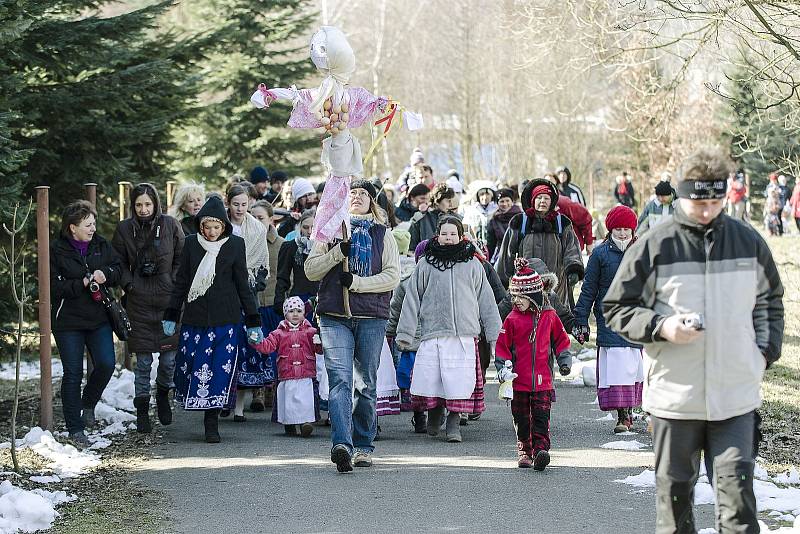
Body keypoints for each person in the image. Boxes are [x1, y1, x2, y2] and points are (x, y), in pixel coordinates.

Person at [603, 148, 784, 534]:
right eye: (698, 201)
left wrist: (762, 355)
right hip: (674, 401)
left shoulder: (747, 242)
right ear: (681, 196)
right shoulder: (654, 244)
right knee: (675, 509)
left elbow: (770, 300)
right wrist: (662, 327)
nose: (707, 210)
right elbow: (617, 307)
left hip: (735, 397)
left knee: (738, 510)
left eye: (715, 201)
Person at [304, 178, 400, 473]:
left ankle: (363, 445)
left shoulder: (384, 235)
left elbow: (392, 276)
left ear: (372, 201)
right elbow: (310, 270)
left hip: (371, 317)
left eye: (362, 194)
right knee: (340, 381)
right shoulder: (328, 232)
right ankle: (341, 444)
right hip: (334, 316)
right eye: (351, 193)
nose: (356, 197)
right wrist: (337, 254)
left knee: (365, 383)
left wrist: (357, 283)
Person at [164, 196, 263, 443]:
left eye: (216, 227)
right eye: (206, 227)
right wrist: (172, 314)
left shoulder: (235, 245)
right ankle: (197, 409)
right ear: (200, 226)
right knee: (194, 366)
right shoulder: (190, 245)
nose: (211, 232)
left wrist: (253, 321)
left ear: (224, 226)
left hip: (226, 320)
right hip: (196, 319)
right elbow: (181, 283)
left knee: (219, 370)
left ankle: (212, 421)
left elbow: (243, 285)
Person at [396, 216, 502, 443]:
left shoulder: (473, 264)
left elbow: (486, 299)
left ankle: (454, 422)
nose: (448, 237)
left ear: (461, 236)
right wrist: (405, 333)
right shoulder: (426, 263)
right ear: (437, 235)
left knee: (458, 382)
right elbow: (412, 298)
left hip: (463, 335)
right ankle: (434, 414)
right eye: (444, 233)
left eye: (453, 233)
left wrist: (494, 334)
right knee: (434, 379)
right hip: (434, 332)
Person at [112, 183, 185, 434]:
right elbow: (117, 262)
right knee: (142, 363)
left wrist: (172, 281)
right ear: (133, 206)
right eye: (139, 205)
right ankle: (142, 409)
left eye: (148, 204)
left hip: (167, 302)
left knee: (168, 360)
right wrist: (130, 284)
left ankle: (164, 393)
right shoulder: (124, 229)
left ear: (156, 204)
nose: (143, 209)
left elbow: (182, 258)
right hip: (139, 302)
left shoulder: (171, 225)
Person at [51, 200, 123, 447]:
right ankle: (75, 428)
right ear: (72, 228)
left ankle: (88, 404)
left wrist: (107, 275)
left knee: (106, 364)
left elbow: (118, 269)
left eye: (94, 223)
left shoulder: (101, 244)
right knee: (73, 374)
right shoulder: (56, 250)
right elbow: (54, 287)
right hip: (68, 321)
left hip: (98, 317)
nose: (93, 228)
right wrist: (81, 283)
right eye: (88, 224)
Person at [572, 205, 643, 434]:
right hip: (608, 317)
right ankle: (622, 416)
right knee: (616, 368)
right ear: (611, 230)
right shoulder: (600, 254)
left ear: (633, 230)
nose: (623, 233)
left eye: (626, 229)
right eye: (618, 229)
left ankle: (629, 410)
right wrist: (580, 318)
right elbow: (589, 288)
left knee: (632, 366)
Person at [495, 258, 571, 469]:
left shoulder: (549, 316)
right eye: (514, 296)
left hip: (542, 380)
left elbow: (561, 341)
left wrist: (564, 361)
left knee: (540, 417)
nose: (517, 301)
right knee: (521, 418)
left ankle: (541, 450)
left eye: (522, 296)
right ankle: (525, 451)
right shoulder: (511, 319)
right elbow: (502, 346)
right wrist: (502, 368)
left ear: (534, 296)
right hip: (518, 380)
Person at [495, 179, 584, 307]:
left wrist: (574, 269)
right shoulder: (520, 222)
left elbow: (572, 248)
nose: (543, 201)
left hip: (557, 287)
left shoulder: (562, 223)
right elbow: (507, 253)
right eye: (539, 197)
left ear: (552, 201)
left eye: (546, 198)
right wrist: (504, 280)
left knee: (556, 320)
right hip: (526, 287)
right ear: (533, 200)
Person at [224, 183, 271, 421]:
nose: (240, 209)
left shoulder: (256, 230)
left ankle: (240, 406)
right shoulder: (219, 226)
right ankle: (223, 397)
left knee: (244, 347)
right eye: (236, 204)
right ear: (228, 203)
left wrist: (252, 283)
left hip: (248, 291)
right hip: (223, 290)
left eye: (244, 204)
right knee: (225, 345)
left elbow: (262, 262)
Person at [250, 296, 322, 437]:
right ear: (285, 314)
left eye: (299, 311)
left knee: (306, 400)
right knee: (288, 400)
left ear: (304, 313)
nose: (295, 314)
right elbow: (267, 346)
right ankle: (289, 423)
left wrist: (320, 342)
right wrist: (256, 341)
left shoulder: (311, 331)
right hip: (287, 374)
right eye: (291, 311)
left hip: (306, 373)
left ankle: (306, 423)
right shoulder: (278, 333)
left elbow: (320, 350)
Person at [249, 200, 285, 411]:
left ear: (271, 219)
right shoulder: (246, 242)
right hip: (254, 304)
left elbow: (284, 276)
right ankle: (258, 390)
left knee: (275, 348)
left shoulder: (281, 245)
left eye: (260, 218)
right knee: (256, 347)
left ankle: (273, 388)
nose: (256, 222)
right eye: (252, 218)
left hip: (274, 304)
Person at [274, 209, 319, 314]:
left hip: (322, 298)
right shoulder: (290, 246)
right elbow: (282, 277)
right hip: (299, 299)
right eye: (305, 227)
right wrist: (279, 303)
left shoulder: (326, 246)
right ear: (300, 227)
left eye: (313, 227)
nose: (309, 231)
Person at [543, 173, 594, 253]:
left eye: (551, 182)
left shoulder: (563, 203)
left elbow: (585, 218)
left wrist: (589, 242)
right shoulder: (537, 206)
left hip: (570, 249)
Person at [409, 183, 459, 251]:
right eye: (448, 201)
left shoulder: (455, 219)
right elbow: (412, 246)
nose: (450, 205)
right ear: (437, 201)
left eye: (451, 201)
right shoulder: (420, 218)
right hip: (426, 258)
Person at [486, 188, 521, 261]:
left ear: (512, 201)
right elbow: (491, 245)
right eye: (502, 201)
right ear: (497, 203)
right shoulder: (493, 221)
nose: (505, 204)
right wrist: (486, 261)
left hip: (520, 257)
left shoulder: (520, 217)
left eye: (507, 200)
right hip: (502, 258)